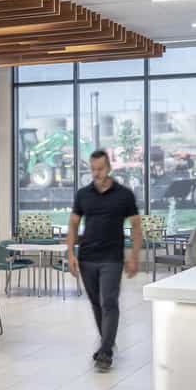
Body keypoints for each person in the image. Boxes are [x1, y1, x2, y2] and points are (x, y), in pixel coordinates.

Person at [65, 150, 140, 370]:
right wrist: (70, 253)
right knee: (97, 304)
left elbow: (136, 227)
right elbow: (72, 225)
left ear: (108, 168)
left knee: (109, 302)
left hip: (112, 258)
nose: (96, 173)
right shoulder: (83, 194)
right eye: (93, 169)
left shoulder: (124, 195)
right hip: (87, 257)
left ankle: (105, 351)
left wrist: (134, 255)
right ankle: (107, 341)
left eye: (100, 169)